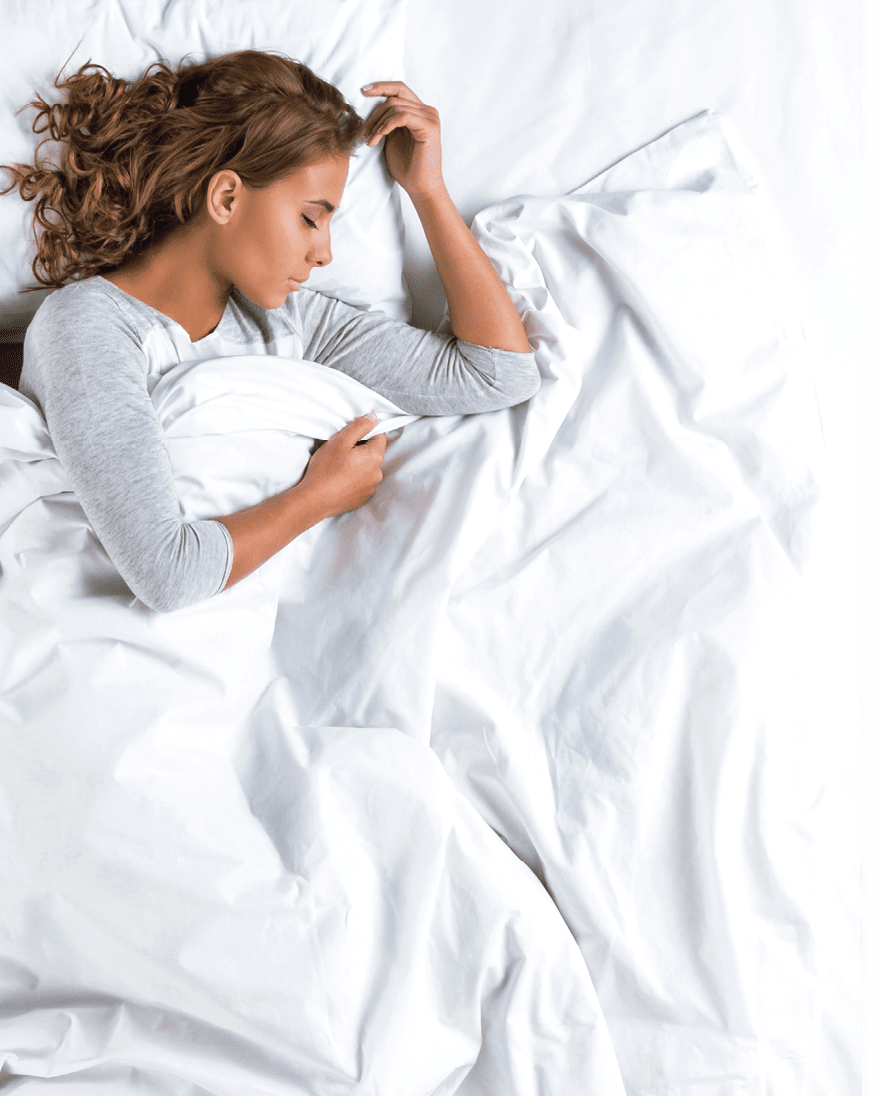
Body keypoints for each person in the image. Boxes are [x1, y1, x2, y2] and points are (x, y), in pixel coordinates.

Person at [1, 51, 539, 612]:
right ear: (227, 197)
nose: (325, 252)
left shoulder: (290, 322)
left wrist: (426, 191)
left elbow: (499, 373)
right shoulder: (87, 325)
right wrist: (317, 497)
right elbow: (166, 574)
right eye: (311, 217)